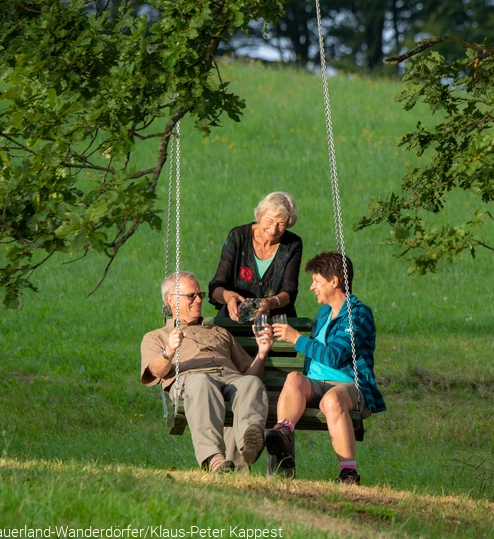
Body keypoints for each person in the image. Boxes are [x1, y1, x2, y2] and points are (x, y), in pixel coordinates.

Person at [268, 252, 386, 485]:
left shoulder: (357, 314)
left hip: (348, 385)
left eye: (316, 281)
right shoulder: (323, 313)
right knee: (294, 378)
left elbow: (334, 356)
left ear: (334, 281)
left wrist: (296, 339)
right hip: (316, 385)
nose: (312, 287)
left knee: (332, 399)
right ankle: (283, 438)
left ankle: (348, 474)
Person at [141, 271, 273, 473]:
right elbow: (155, 371)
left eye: (200, 295)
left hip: (229, 377)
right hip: (192, 380)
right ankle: (214, 458)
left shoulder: (218, 332)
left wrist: (262, 354)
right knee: (202, 382)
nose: (198, 300)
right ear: (171, 300)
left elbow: (249, 375)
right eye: (191, 296)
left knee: (251, 383)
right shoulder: (157, 336)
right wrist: (168, 351)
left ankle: (249, 443)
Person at [209, 191, 302, 321]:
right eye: (269, 221)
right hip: (235, 321)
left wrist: (270, 302)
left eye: (281, 224)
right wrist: (229, 297)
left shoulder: (292, 244)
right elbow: (215, 286)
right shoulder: (238, 237)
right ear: (260, 215)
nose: (273, 230)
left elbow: (289, 290)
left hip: (273, 323)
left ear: (288, 224)